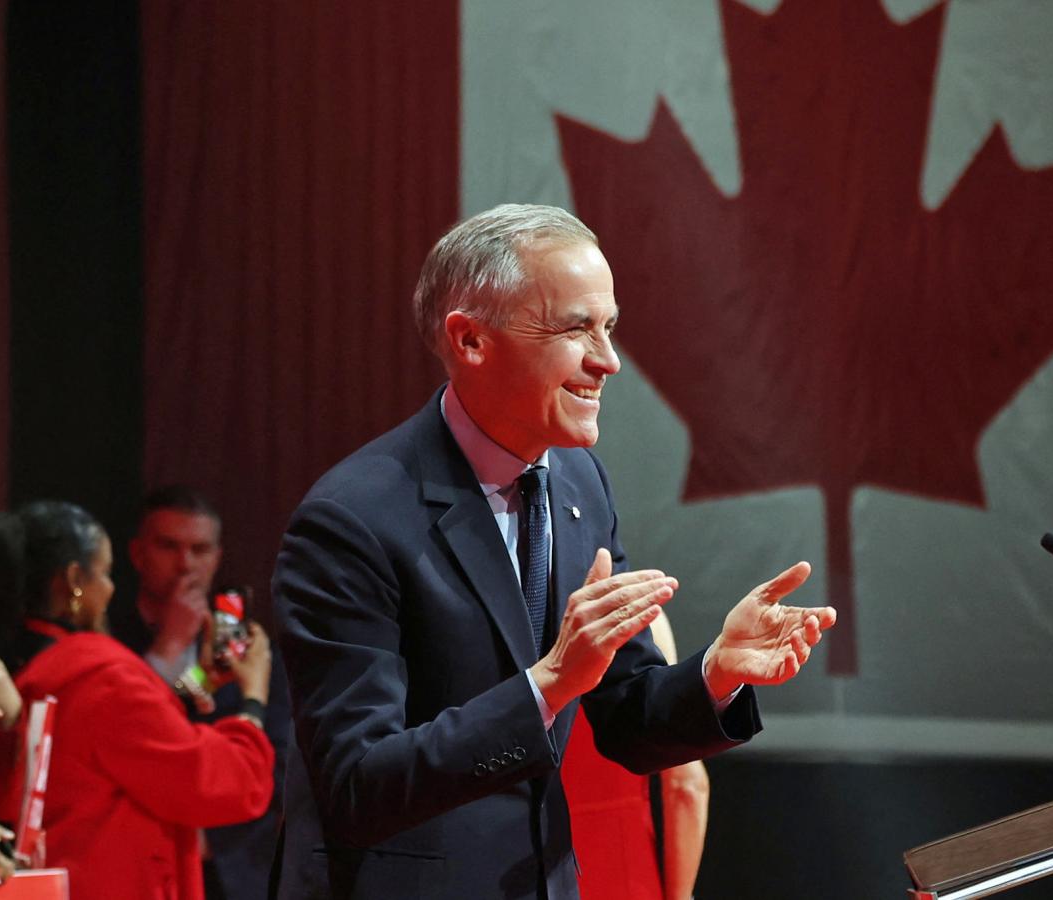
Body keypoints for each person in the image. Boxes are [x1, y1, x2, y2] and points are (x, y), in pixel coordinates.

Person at [273, 203, 836, 900]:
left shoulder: (578, 482)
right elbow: (357, 784)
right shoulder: (351, 520)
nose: (609, 360)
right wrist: (548, 685)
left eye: (609, 327)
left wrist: (715, 673)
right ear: (470, 340)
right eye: (576, 329)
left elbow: (626, 716)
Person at [0, 500, 277, 900]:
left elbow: (143, 729)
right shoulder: (101, 673)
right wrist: (254, 698)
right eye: (105, 574)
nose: (111, 589)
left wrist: (201, 680)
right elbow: (218, 782)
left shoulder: (19, 660)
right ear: (75, 580)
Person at [107, 486, 290, 900]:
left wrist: (205, 838)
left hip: (233, 871)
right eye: (168, 546)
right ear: (138, 553)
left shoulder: (247, 651)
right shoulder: (109, 638)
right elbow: (135, 736)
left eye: (200, 549)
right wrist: (168, 647)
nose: (185, 563)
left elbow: (281, 763)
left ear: (217, 557)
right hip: (141, 865)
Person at [563, 613, 710, 900]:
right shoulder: (641, 616)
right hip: (623, 871)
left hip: (516, 871)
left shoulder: (500, 616)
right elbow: (686, 785)